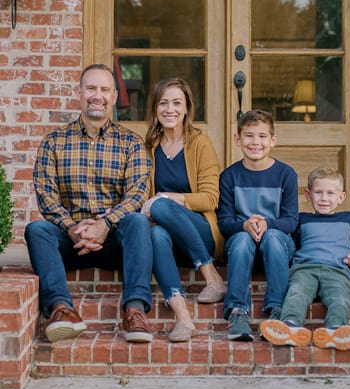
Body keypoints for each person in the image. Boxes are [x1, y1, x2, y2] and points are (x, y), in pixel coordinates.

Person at [24, 64, 154, 343]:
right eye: (91, 88)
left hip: (114, 241)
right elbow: (46, 194)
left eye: (104, 90)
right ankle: (61, 309)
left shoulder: (131, 143)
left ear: (114, 96)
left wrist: (105, 224)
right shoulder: (54, 142)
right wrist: (72, 228)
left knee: (139, 222)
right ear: (79, 93)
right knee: (36, 230)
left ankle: (134, 310)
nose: (98, 95)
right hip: (72, 240)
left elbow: (137, 194)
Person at [141, 77, 225, 342]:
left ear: (187, 108)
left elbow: (211, 199)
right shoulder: (149, 147)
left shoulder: (200, 143)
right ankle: (183, 317)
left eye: (177, 103)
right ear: (155, 108)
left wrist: (169, 197)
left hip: (201, 232)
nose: (170, 109)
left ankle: (212, 276)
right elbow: (144, 198)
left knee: (163, 204)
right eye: (163, 103)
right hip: (167, 236)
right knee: (155, 235)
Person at [259, 167, 350, 350]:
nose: (324, 198)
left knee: (340, 298)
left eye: (330, 193)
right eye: (318, 192)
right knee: (296, 293)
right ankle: (290, 326)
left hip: (337, 271)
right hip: (305, 269)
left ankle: (335, 330)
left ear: (341, 197)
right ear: (308, 195)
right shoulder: (302, 219)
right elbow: (295, 247)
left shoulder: (349, 218)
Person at [218, 109, 298, 341]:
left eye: (262, 136)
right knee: (242, 240)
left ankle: (277, 310)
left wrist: (268, 224)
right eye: (249, 136)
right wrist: (244, 226)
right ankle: (238, 311)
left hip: (278, 246)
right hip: (243, 244)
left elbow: (291, 221)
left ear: (273, 140)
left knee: (272, 237)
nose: (256, 143)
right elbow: (224, 223)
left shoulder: (286, 174)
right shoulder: (229, 176)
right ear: (238, 139)